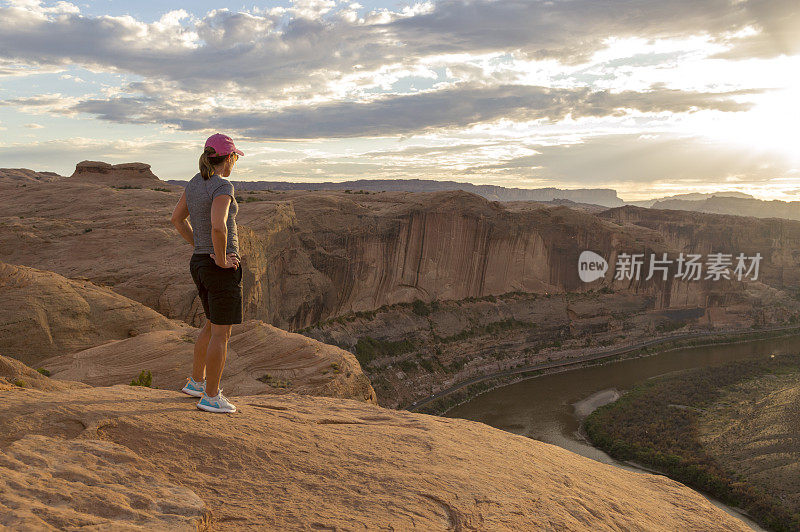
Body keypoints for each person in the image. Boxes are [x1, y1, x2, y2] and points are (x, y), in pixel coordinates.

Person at [170, 133, 244, 413]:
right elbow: (218, 226)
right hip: (218, 268)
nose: (234, 162)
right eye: (234, 157)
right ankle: (211, 397)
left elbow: (177, 220)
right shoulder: (223, 186)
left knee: (211, 325)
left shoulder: (193, 183)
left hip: (200, 262)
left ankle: (197, 382)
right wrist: (223, 259)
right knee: (221, 333)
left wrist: (200, 248)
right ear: (228, 158)